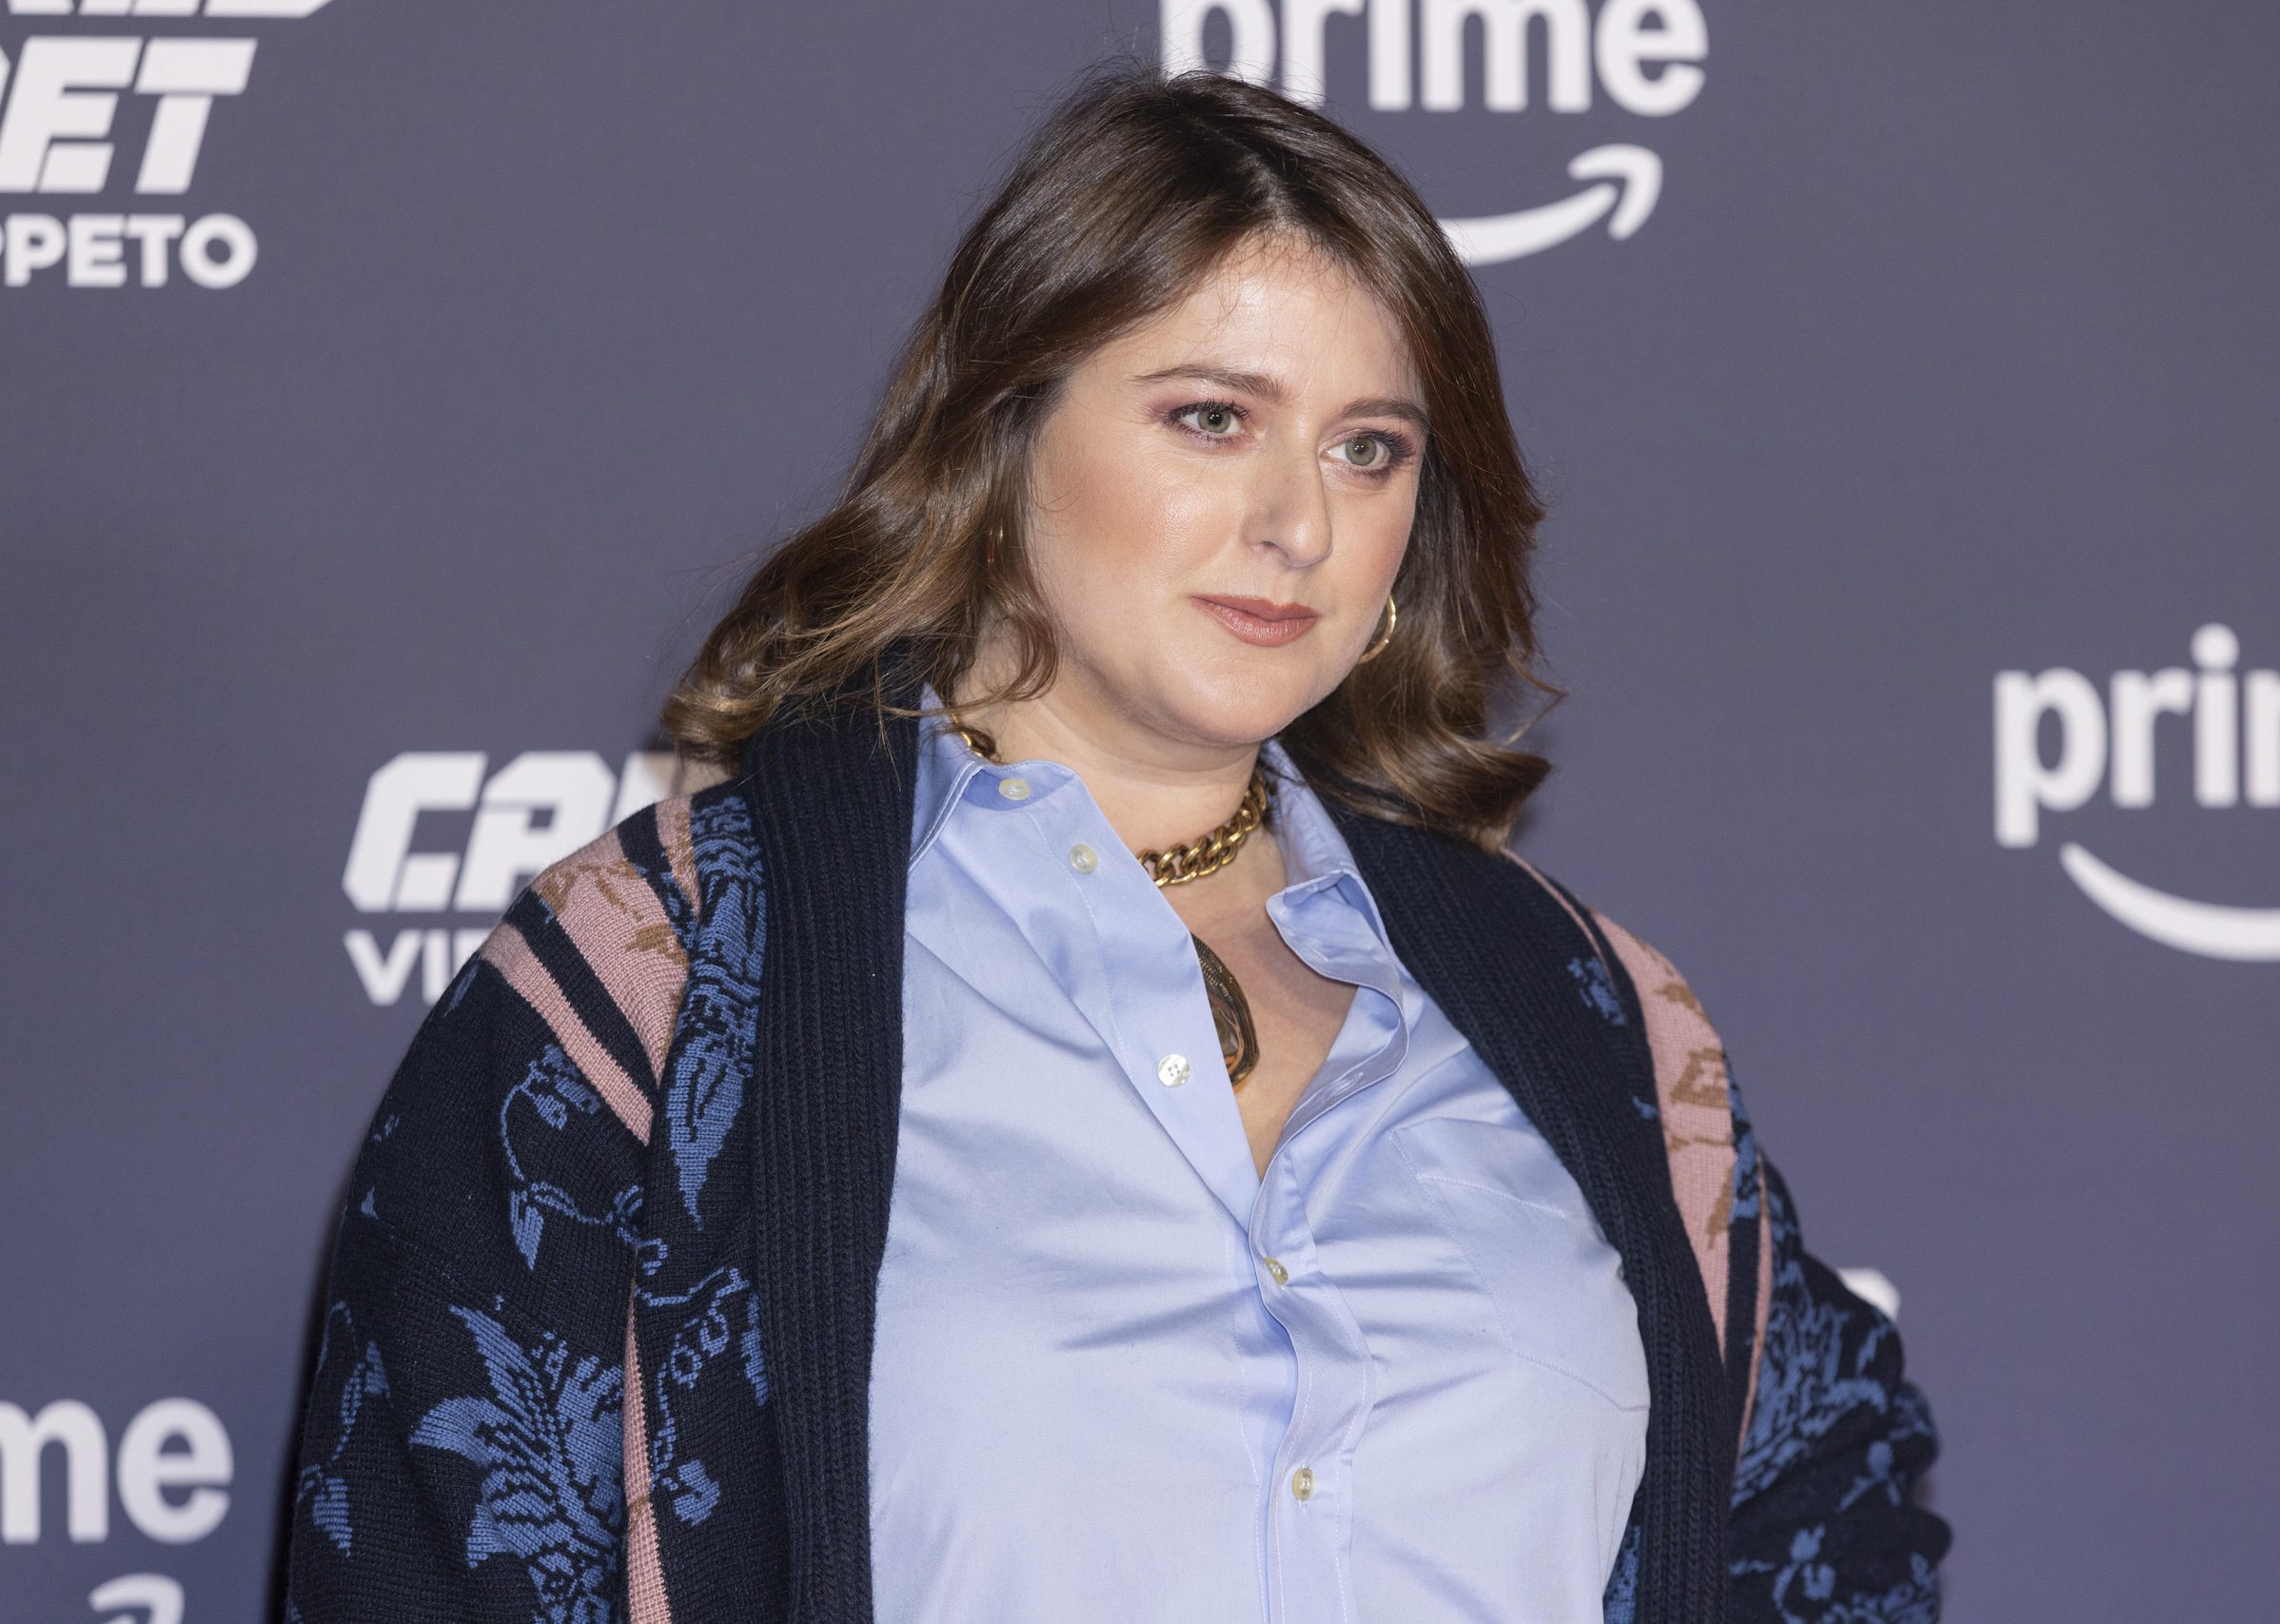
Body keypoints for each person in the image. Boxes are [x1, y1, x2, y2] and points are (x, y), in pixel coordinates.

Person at [282, 60, 1948, 1624]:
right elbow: (434, 1556)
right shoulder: (664, 983)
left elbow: (1827, 1504)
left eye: (1368, 449)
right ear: (1000, 436)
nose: (1299, 522)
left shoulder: (1592, 1012)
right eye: (1212, 418)